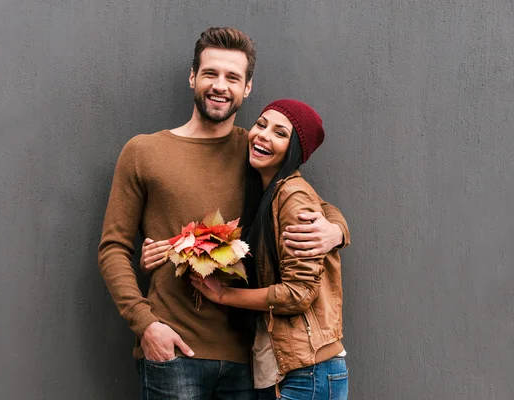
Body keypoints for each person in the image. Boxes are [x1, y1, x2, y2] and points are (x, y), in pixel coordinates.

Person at [98, 27, 349, 399]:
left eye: (233, 77)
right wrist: (146, 325)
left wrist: (337, 230)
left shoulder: (257, 148)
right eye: (211, 73)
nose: (220, 85)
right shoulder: (143, 151)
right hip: (173, 351)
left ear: (247, 88)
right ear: (192, 77)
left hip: (248, 359)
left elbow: (305, 198)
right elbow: (113, 249)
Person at [191, 99, 349, 399]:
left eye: (280, 132)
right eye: (261, 124)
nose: (263, 135)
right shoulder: (270, 192)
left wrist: (224, 295)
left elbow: (299, 292)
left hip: (308, 373)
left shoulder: (291, 195)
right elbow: (328, 208)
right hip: (284, 370)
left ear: (294, 151)